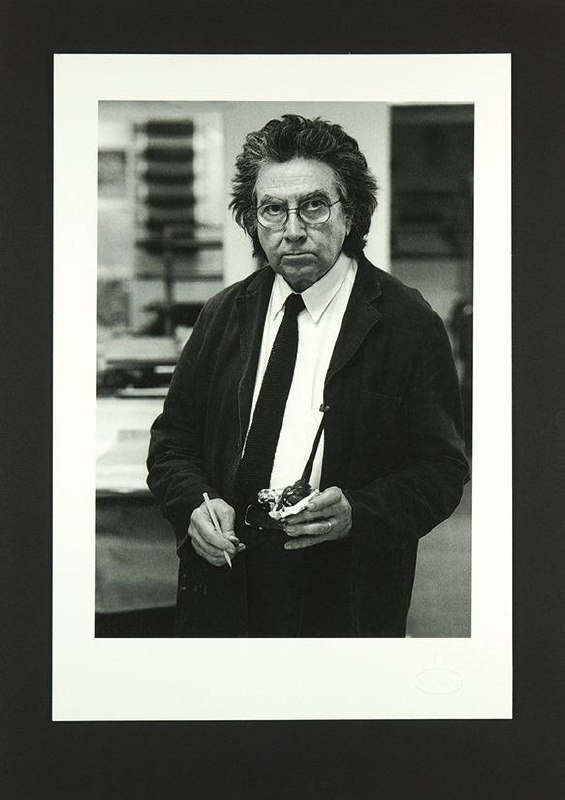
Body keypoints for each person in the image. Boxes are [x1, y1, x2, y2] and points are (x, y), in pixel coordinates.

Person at [147, 114, 469, 637]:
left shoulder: (407, 324)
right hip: (226, 586)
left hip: (343, 594)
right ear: (253, 220)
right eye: (273, 209)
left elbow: (441, 470)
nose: (293, 230)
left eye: (314, 206)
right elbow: (172, 442)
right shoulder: (223, 314)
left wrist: (359, 513)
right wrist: (193, 506)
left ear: (351, 213)